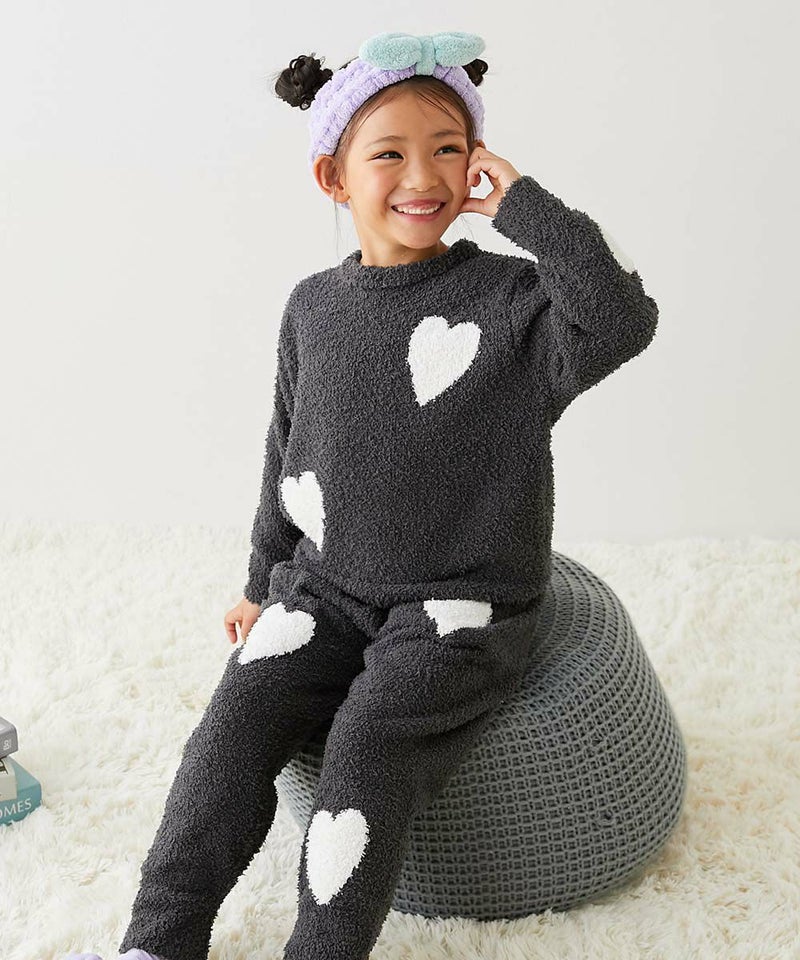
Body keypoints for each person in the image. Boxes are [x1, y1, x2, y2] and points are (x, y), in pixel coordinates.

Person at [65, 28, 659, 960]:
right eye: (389, 154)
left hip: (461, 604)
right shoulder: (312, 307)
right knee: (228, 735)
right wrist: (262, 583)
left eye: (448, 149)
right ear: (333, 179)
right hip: (326, 587)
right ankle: (158, 937)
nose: (422, 176)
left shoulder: (517, 303)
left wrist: (528, 209)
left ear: (476, 164)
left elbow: (622, 318)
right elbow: (287, 455)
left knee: (367, 753)